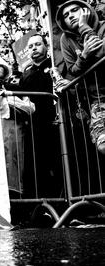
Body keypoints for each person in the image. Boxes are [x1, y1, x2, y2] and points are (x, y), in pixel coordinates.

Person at [19, 33, 70, 198]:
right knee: (38, 165)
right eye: (31, 46)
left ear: (46, 46)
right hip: (34, 126)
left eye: (37, 44)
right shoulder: (26, 73)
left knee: (60, 163)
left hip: (56, 121)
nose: (34, 48)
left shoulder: (56, 65)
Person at [56, 0, 105, 154]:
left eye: (74, 10)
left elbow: (101, 51)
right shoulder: (65, 39)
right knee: (102, 144)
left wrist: (84, 26)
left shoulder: (103, 26)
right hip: (98, 98)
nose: (70, 16)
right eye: (66, 15)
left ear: (86, 10)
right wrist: (83, 56)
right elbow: (73, 70)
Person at [0, 55, 35, 196]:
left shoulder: (16, 88)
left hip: (12, 130)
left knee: (13, 163)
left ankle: (15, 198)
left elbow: (30, 107)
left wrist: (7, 99)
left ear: (5, 69)